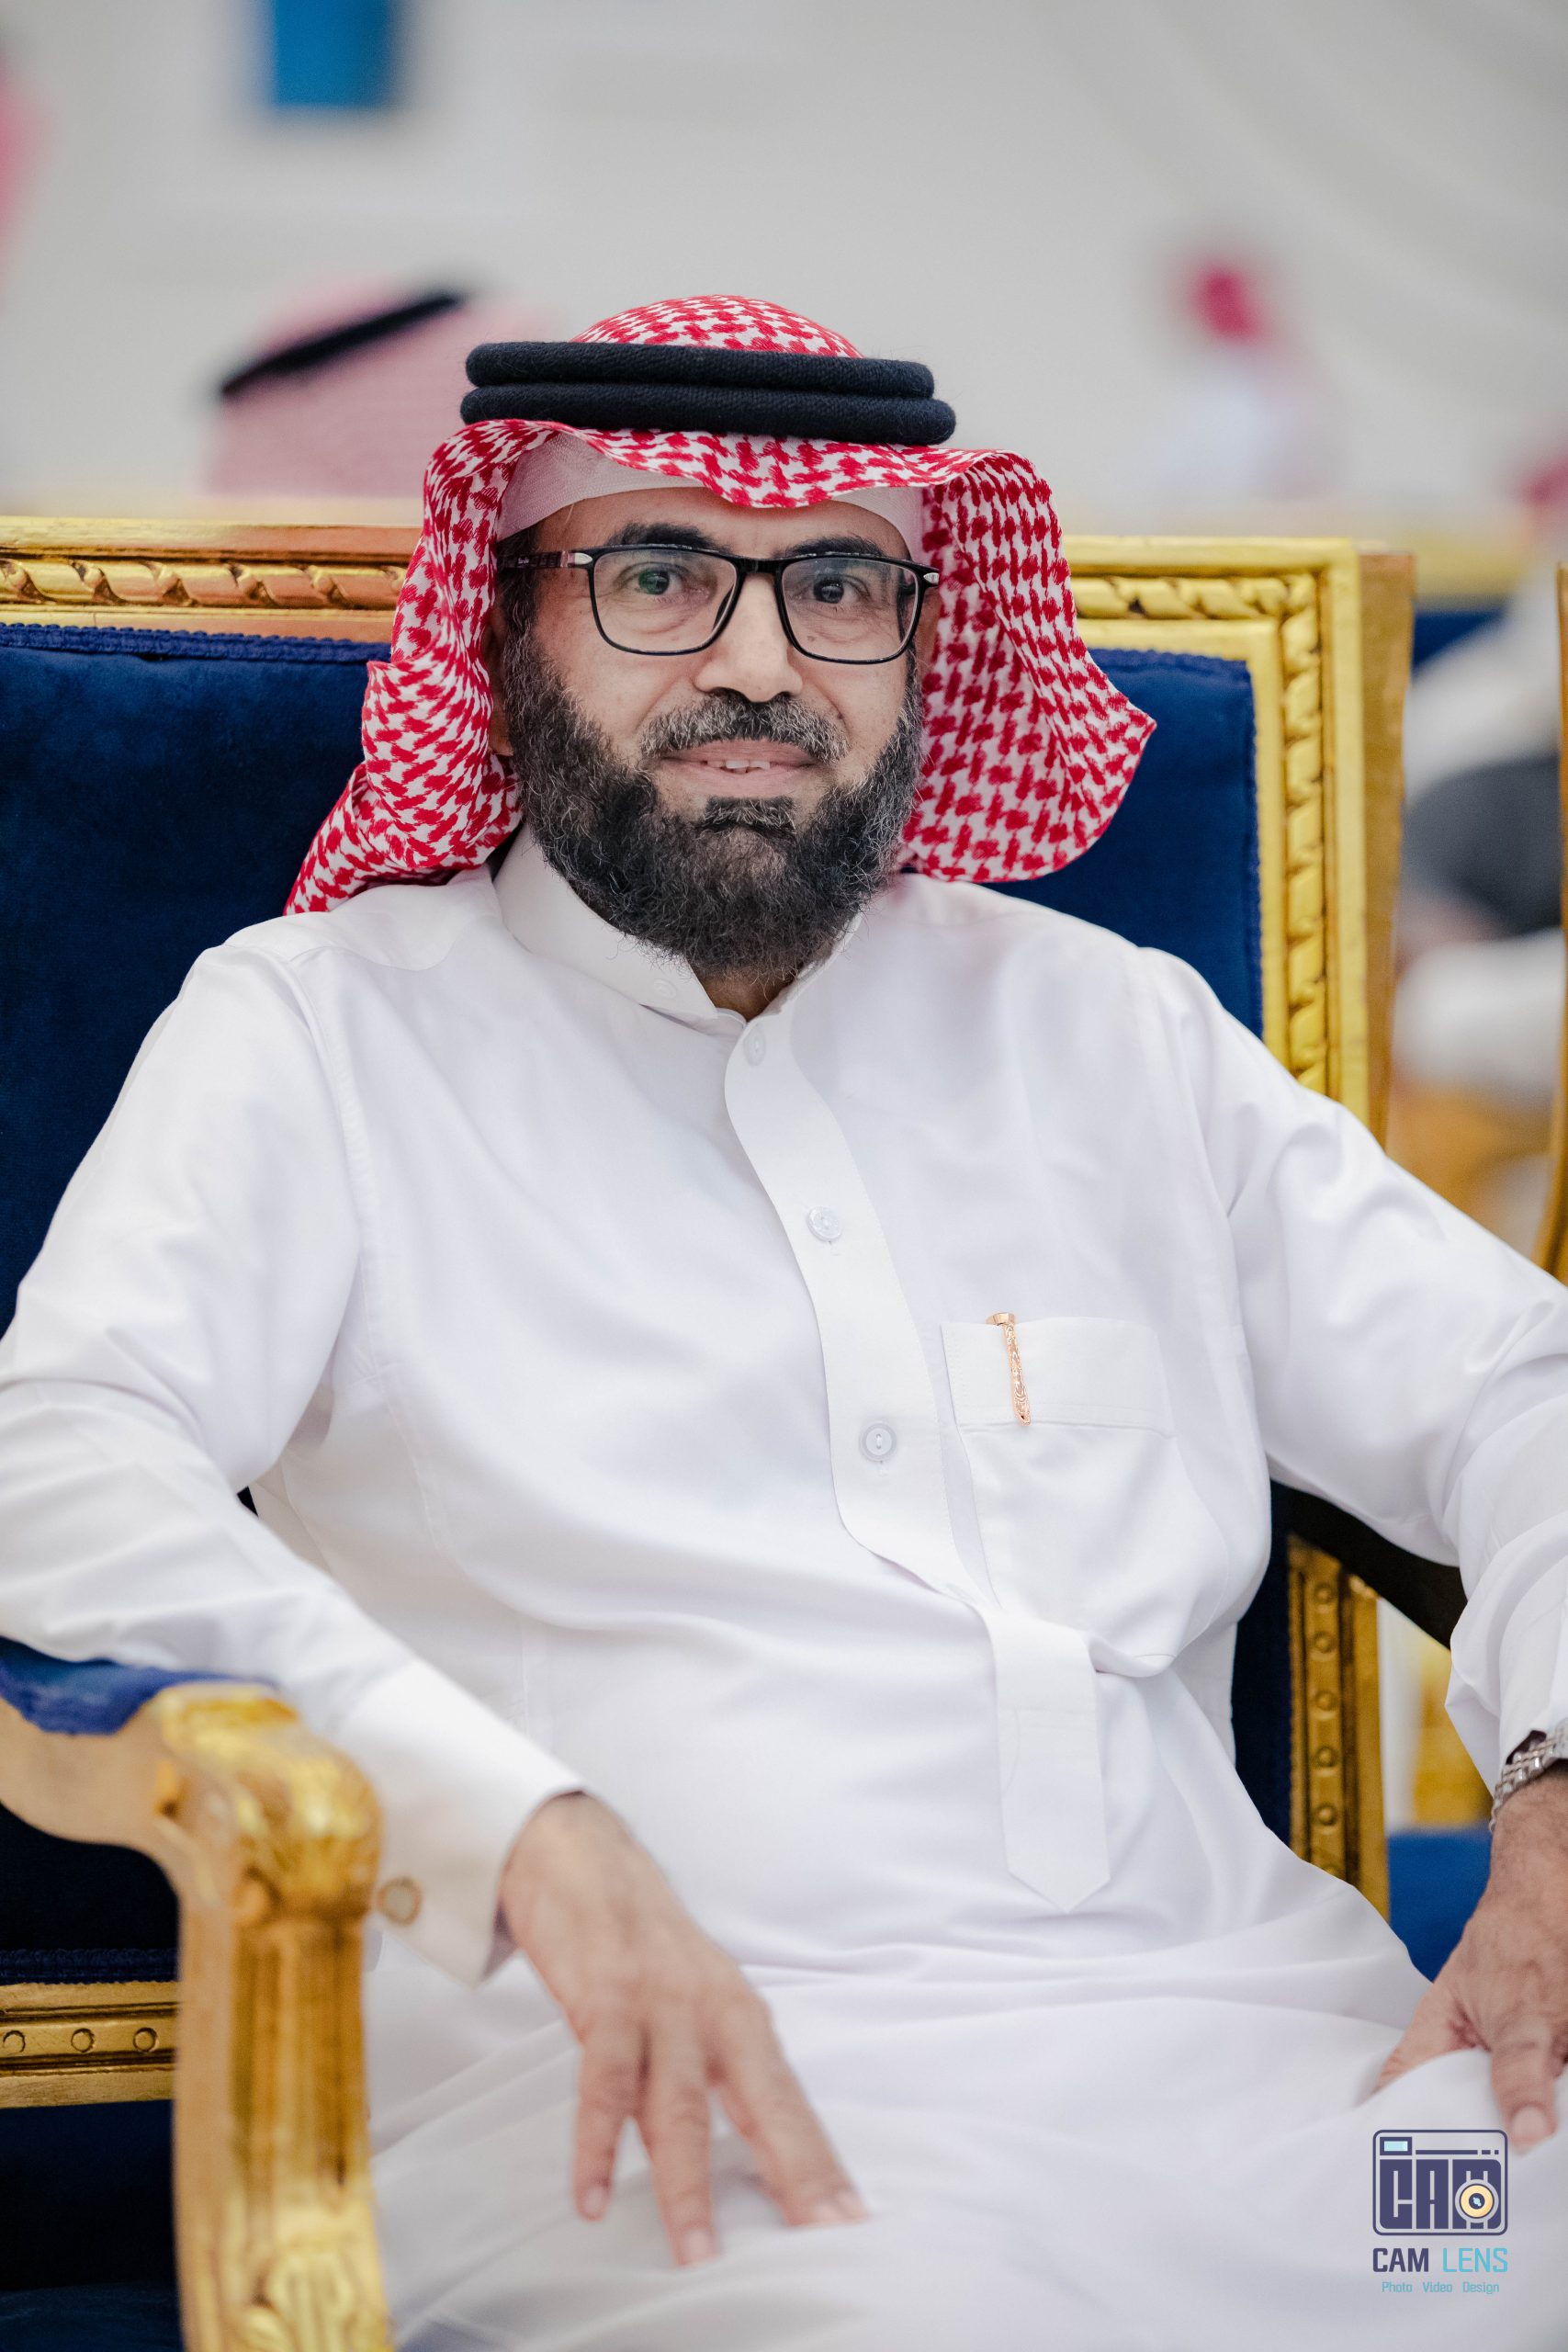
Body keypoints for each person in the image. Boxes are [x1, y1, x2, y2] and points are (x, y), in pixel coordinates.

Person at [2, 295, 1567, 2351]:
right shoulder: (317, 1036)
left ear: (920, 639)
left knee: (1497, 2264)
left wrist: (1553, 1777)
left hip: (1282, 2083)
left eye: (836, 586)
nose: (757, 660)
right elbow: (57, 1459)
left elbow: (1514, 1386)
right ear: (510, 626)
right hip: (672, 2109)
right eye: (657, 577)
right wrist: (509, 1824)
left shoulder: (1104, 1029)